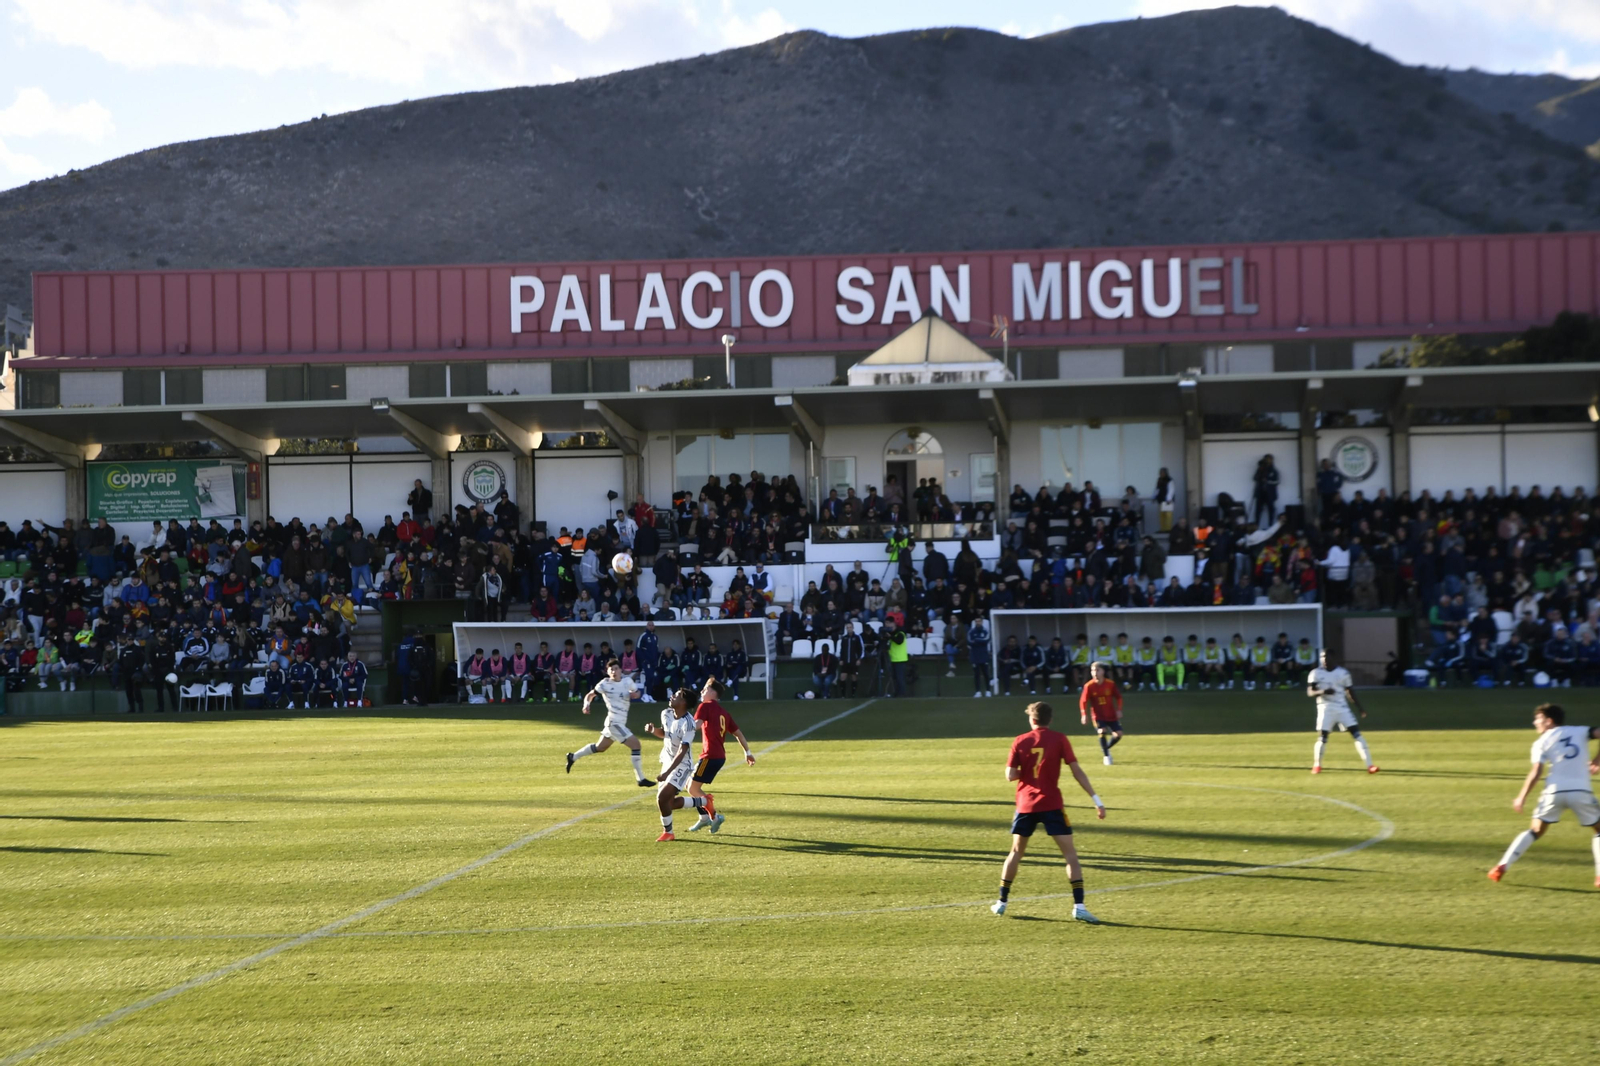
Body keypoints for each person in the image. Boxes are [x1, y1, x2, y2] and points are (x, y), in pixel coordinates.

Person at [991, 700, 1105, 922]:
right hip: (1052, 804)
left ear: (1031, 720)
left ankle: (1002, 902)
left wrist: (1026, 771)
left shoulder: (1020, 741)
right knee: (1070, 855)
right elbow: (1076, 771)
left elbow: (1010, 775)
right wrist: (1096, 799)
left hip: (1026, 805)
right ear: (1050, 720)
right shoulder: (1060, 739)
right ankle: (1079, 906)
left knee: (1015, 853)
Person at [1487, 704, 1600, 887]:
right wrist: (1597, 760)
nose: (1534, 722)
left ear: (1549, 721)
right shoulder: (1580, 731)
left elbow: (1536, 771)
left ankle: (1502, 866)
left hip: (1553, 792)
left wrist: (1521, 797)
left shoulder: (1541, 742)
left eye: (1538, 719)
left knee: (1535, 831)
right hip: (1581, 791)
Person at [684, 677, 755, 833]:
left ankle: (714, 816)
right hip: (719, 757)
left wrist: (679, 725)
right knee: (690, 785)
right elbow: (739, 734)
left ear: (713, 692)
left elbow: (696, 726)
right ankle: (704, 818)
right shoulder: (724, 712)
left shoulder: (705, 706)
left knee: (693, 789)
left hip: (710, 756)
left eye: (705, 689)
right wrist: (747, 753)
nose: (702, 692)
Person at [567, 659, 652, 787]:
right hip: (614, 722)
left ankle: (573, 757)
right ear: (607, 672)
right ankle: (641, 779)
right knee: (636, 745)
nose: (614, 671)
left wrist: (636, 694)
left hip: (619, 721)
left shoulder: (627, 681)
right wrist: (586, 704)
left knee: (600, 747)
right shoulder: (604, 684)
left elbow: (637, 692)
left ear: (620, 670)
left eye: (616, 669)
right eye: (611, 669)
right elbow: (590, 695)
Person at [643, 687, 711, 841]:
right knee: (668, 802)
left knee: (662, 798)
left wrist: (667, 773)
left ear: (684, 702)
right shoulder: (666, 713)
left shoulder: (689, 723)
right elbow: (666, 733)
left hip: (681, 764)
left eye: (678, 695)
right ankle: (704, 801)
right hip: (667, 760)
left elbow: (682, 750)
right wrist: (654, 730)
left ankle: (668, 833)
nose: (672, 696)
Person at [1307, 649, 1377, 774]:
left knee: (1356, 734)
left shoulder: (1343, 673)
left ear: (1333, 658)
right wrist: (1323, 692)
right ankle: (1317, 765)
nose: (1324, 659)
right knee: (1322, 737)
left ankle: (1370, 765)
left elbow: (1350, 691)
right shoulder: (1315, 673)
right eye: (1322, 657)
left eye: (1326, 656)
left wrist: (1359, 707)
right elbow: (1310, 692)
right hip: (1325, 708)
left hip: (1342, 708)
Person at [1079, 662, 1124, 765]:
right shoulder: (1089, 686)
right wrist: (1084, 714)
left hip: (1111, 714)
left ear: (1103, 671)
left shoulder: (1110, 684)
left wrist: (1119, 709)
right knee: (1101, 731)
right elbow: (1083, 701)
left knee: (1119, 734)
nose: (1094, 673)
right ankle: (1106, 756)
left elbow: (1119, 697)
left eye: (1097, 670)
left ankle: (1105, 748)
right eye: (1093, 670)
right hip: (1098, 716)